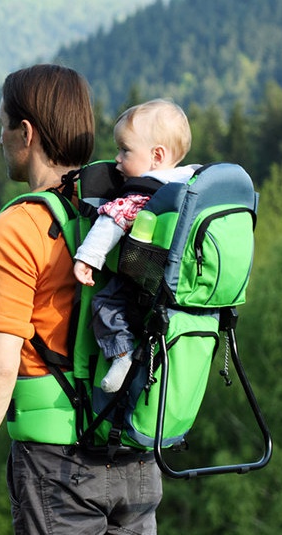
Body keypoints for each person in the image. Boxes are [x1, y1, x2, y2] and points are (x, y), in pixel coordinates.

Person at [0, 64, 163, 535]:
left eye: (2, 125)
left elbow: (0, 363)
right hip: (136, 456)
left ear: (26, 132)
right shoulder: (130, 205)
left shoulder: (19, 226)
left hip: (58, 469)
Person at [72, 99, 199, 392]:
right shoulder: (191, 182)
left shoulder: (141, 193)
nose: (117, 159)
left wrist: (86, 259)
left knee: (104, 304)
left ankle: (122, 355)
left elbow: (110, 223)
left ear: (157, 155)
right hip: (181, 283)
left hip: (144, 276)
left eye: (125, 150)